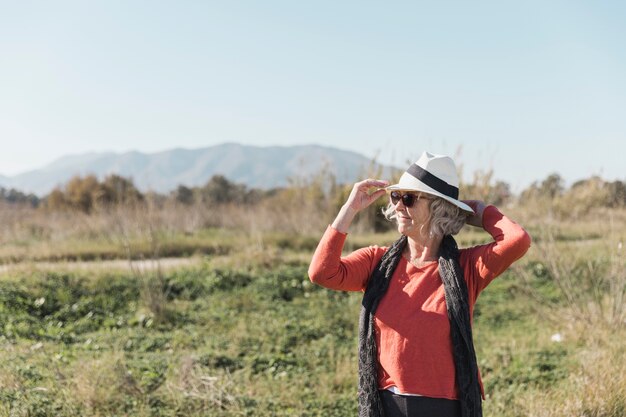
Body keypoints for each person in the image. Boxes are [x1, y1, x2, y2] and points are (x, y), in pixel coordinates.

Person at [308, 151, 531, 417]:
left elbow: (517, 240)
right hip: (387, 404)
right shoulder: (376, 262)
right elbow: (322, 272)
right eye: (396, 197)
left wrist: (481, 212)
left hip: (444, 408)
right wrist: (349, 209)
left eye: (409, 198)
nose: (399, 206)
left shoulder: (466, 267)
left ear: (438, 207)